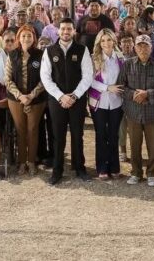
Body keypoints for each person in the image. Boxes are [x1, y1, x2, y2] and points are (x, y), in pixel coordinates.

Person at [40, 17, 93, 185]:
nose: (66, 32)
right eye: (63, 29)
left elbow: (88, 76)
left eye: (69, 29)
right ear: (58, 31)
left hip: (77, 99)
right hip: (57, 100)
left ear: (74, 31)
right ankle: (57, 171)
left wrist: (74, 96)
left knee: (78, 134)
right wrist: (60, 96)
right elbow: (45, 77)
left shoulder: (82, 50)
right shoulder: (49, 51)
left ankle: (80, 168)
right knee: (58, 136)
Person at [118, 34, 154, 186]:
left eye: (146, 46)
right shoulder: (127, 64)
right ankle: (136, 173)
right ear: (135, 48)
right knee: (134, 145)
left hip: (153, 112)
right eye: (139, 46)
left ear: (151, 48)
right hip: (133, 112)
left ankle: (152, 174)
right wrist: (134, 95)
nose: (143, 49)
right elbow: (121, 86)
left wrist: (147, 94)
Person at [4, 25, 47, 175]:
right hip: (16, 99)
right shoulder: (12, 55)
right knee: (20, 130)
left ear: (34, 38)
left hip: (36, 99)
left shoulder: (41, 55)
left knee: (33, 130)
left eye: (29, 36)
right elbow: (7, 80)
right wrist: (20, 96)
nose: (26, 38)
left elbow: (45, 79)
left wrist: (31, 96)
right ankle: (22, 162)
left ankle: (32, 162)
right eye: (23, 36)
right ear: (18, 38)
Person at [88, 29, 125, 180]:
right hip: (99, 103)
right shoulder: (93, 58)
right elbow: (89, 81)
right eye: (102, 40)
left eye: (109, 40)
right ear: (99, 42)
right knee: (101, 135)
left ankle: (114, 167)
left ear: (114, 41)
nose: (106, 43)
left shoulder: (121, 58)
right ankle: (102, 167)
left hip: (116, 102)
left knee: (114, 135)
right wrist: (107, 88)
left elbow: (125, 78)